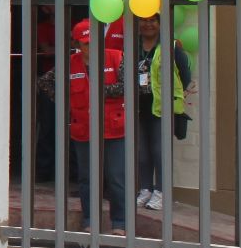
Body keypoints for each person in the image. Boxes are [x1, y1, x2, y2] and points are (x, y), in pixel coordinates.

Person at [63, 18, 127, 235]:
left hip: (114, 128)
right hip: (84, 129)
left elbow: (129, 86)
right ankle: (90, 220)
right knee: (87, 178)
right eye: (86, 43)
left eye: (94, 41)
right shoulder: (70, 63)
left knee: (116, 177)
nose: (91, 47)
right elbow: (47, 83)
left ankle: (119, 223)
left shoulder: (117, 57)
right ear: (78, 45)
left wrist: (101, 90)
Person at [134, 13, 191, 213]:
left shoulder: (171, 46)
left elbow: (185, 74)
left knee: (160, 152)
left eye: (153, 20)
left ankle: (161, 192)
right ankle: (146, 189)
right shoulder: (133, 45)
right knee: (142, 153)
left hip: (162, 108)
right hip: (139, 107)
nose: (148, 24)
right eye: (144, 20)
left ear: (160, 23)